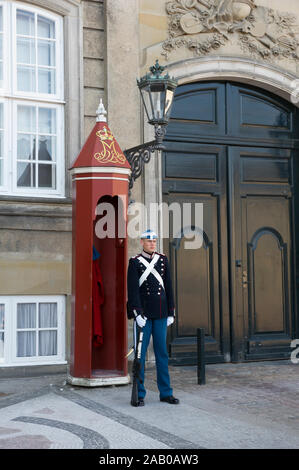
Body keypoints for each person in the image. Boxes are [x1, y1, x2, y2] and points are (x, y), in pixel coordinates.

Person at [127, 229, 180, 406]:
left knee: (162, 354)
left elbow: (169, 287)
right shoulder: (134, 262)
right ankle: (140, 394)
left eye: (154, 241)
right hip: (143, 316)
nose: (152, 244)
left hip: (161, 313)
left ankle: (165, 393)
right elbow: (132, 290)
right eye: (149, 241)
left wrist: (171, 311)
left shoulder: (163, 260)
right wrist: (136, 312)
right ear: (142, 242)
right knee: (140, 356)